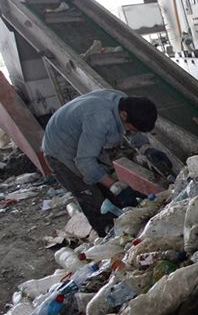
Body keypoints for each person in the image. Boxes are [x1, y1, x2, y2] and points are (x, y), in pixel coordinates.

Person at [42, 89, 159, 236]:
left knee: (110, 194)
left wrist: (146, 148)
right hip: (60, 151)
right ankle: (109, 238)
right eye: (132, 129)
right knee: (94, 199)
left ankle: (125, 226)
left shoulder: (125, 103)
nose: (133, 132)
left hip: (81, 142)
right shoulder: (100, 119)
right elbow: (85, 162)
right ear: (123, 115)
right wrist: (116, 187)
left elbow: (133, 131)